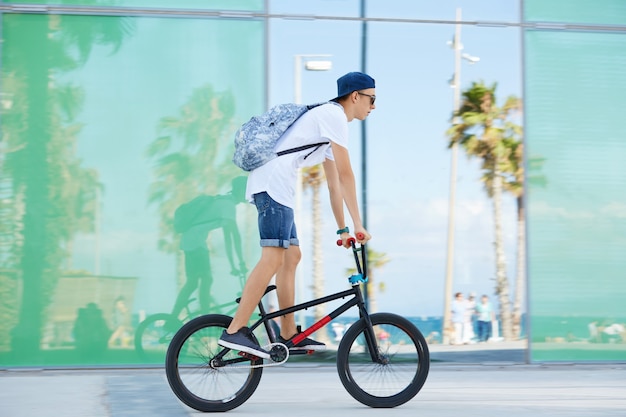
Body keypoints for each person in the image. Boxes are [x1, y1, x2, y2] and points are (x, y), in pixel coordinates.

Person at [218, 72, 375, 359]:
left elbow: (333, 184)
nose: (373, 106)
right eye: (371, 99)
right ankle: (235, 329)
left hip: (279, 188)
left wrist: (343, 229)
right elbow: (346, 174)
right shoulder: (334, 115)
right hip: (273, 185)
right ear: (355, 96)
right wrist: (359, 223)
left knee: (292, 256)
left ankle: (289, 334)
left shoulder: (329, 124)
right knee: (274, 257)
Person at [170, 177, 248, 322]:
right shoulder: (228, 206)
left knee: (193, 282)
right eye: (247, 190)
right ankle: (204, 320)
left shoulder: (224, 202)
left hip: (190, 241)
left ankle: (172, 318)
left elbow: (231, 237)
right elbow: (232, 238)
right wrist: (238, 264)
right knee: (206, 279)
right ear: (240, 190)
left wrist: (236, 264)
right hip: (197, 243)